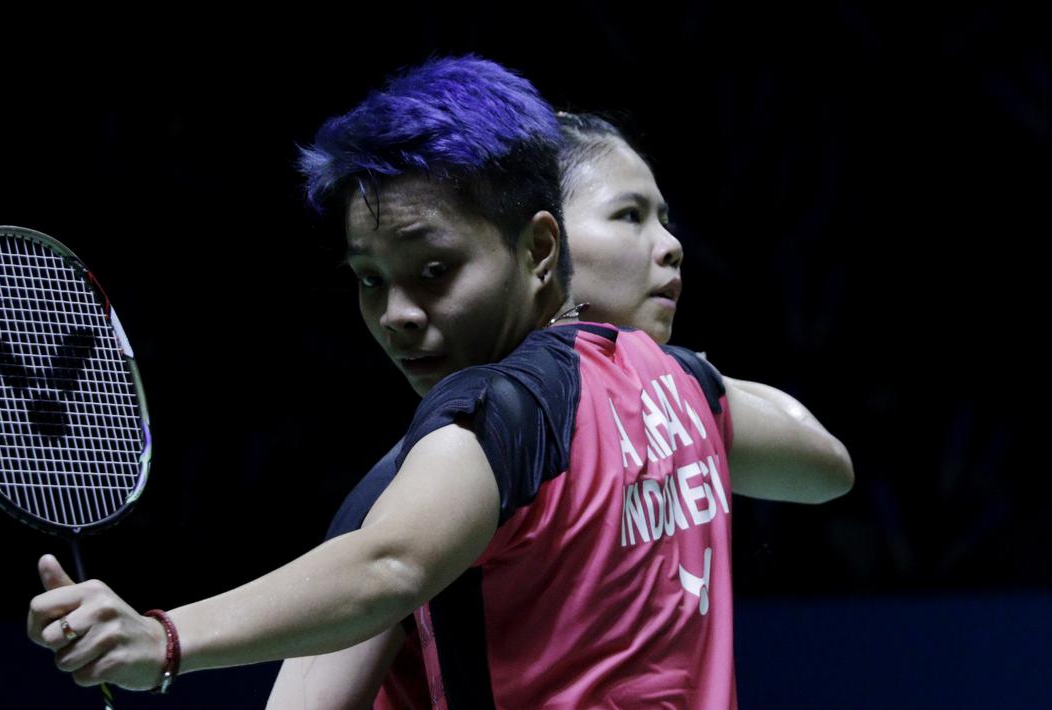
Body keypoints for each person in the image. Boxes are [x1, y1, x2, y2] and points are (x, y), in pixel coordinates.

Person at [27, 57, 852, 708]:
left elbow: (387, 565)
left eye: (432, 270)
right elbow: (824, 468)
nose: (396, 315)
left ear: (538, 248)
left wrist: (159, 640)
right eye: (368, 279)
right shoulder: (677, 385)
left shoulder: (478, 429)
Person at [265, 112, 854, 708]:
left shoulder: (658, 396)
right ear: (541, 242)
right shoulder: (409, 491)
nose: (672, 246)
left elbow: (826, 467)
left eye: (664, 219)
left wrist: (653, 371)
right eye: (629, 215)